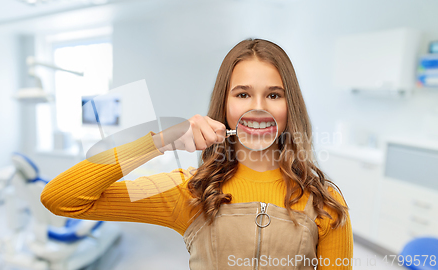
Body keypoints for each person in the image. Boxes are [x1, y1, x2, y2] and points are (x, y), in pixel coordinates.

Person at [41, 38, 353, 270]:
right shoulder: (189, 192)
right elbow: (61, 198)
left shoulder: (325, 203)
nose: (258, 108)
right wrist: (161, 141)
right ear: (225, 108)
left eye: (273, 95)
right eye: (242, 94)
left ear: (290, 108)